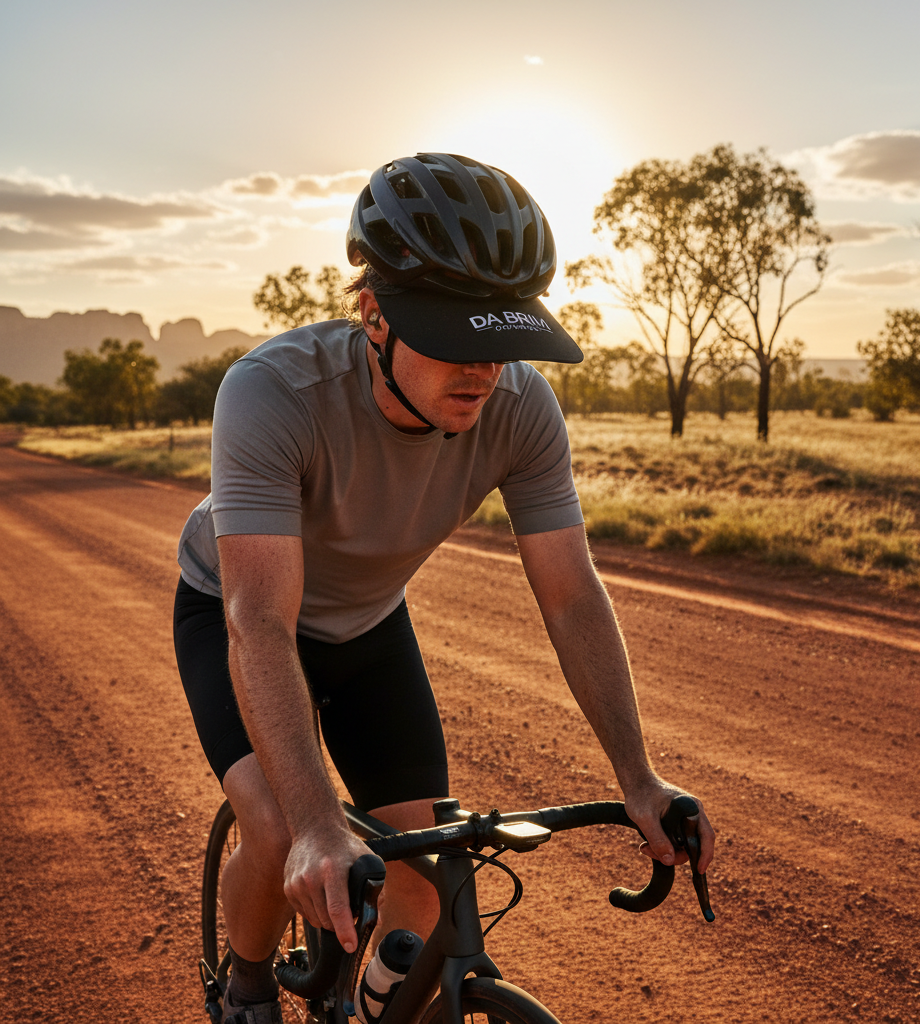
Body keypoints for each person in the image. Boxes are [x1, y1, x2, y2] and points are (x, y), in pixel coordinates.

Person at [173, 152, 715, 1024]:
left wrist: (640, 778)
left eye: (503, 340)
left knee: (422, 882)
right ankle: (243, 988)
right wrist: (316, 822)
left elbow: (572, 596)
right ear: (374, 314)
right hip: (240, 613)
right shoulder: (273, 393)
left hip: (368, 626)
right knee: (277, 826)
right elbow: (260, 624)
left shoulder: (521, 412)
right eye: (455, 338)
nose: (484, 370)